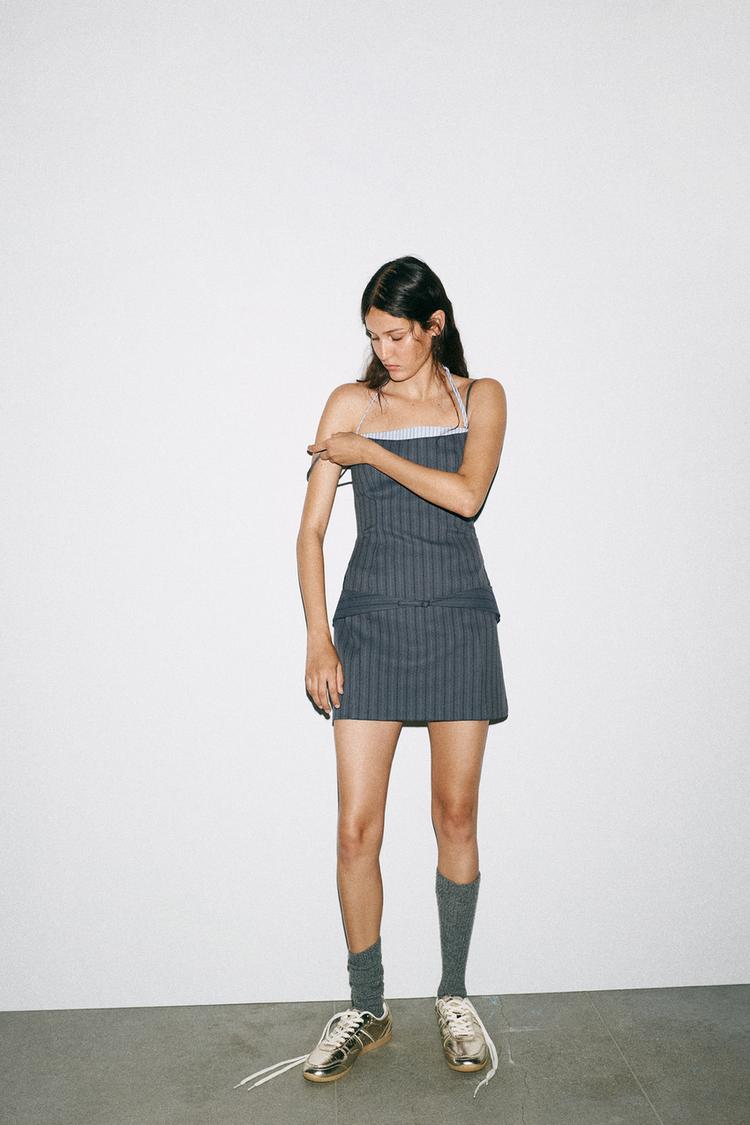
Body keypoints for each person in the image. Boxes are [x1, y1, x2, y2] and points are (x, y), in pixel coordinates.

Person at [234, 255, 508, 1099]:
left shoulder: (481, 398)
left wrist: (369, 456)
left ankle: (453, 994)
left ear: (434, 325)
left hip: (458, 619)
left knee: (454, 815)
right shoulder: (350, 404)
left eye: (396, 335)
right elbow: (310, 532)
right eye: (373, 336)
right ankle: (366, 1004)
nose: (383, 350)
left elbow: (466, 496)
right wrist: (319, 638)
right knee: (357, 829)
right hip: (371, 626)